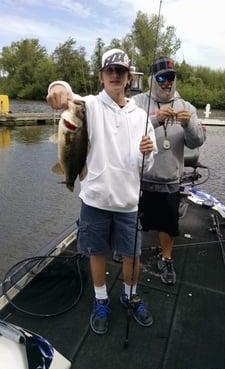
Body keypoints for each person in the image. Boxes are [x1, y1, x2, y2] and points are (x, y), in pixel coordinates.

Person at [47, 48, 157, 335]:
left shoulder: (141, 116)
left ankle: (130, 295)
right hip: (94, 199)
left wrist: (147, 154)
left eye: (120, 71)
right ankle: (100, 300)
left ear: (128, 77)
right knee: (96, 253)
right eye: (110, 70)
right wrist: (57, 88)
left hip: (129, 203)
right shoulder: (91, 106)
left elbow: (145, 167)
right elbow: (64, 94)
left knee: (133, 256)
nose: (115, 75)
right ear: (101, 76)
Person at [133, 56, 206, 285]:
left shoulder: (187, 107)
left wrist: (189, 124)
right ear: (153, 79)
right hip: (139, 178)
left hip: (170, 179)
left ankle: (166, 259)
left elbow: (196, 142)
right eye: (162, 77)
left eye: (171, 77)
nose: (167, 82)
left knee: (168, 225)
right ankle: (128, 250)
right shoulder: (136, 103)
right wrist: (154, 119)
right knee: (134, 221)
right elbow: (125, 135)